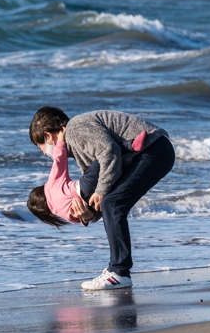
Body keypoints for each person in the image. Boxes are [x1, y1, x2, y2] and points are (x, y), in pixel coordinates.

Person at [28, 107, 175, 291]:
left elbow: (110, 151)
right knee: (111, 203)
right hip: (154, 152)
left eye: (39, 146)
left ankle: (119, 273)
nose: (43, 152)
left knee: (112, 203)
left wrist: (101, 191)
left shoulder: (75, 129)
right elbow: (100, 187)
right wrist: (89, 214)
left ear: (48, 136)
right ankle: (118, 271)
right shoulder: (77, 144)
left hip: (153, 149)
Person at [28, 135, 144, 228]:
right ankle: (128, 145)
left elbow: (81, 219)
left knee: (115, 174)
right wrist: (60, 140)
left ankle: (133, 157)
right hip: (84, 186)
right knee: (103, 158)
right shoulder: (50, 187)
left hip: (91, 204)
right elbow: (59, 162)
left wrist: (86, 218)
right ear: (41, 190)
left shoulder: (61, 214)